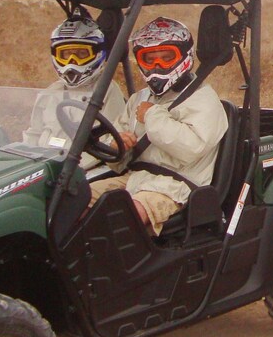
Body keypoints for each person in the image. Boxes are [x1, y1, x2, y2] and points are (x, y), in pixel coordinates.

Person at [91, 16, 228, 235]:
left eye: (166, 58)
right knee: (79, 200)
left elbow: (190, 147)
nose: (157, 66)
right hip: (135, 178)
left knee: (125, 216)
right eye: (149, 59)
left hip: (175, 186)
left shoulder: (204, 100)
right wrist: (117, 147)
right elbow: (117, 155)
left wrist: (152, 115)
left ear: (184, 56)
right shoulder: (140, 98)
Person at [23, 7, 127, 165]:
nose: (72, 61)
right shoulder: (51, 92)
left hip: (83, 171)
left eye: (81, 54)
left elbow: (113, 141)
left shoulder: (107, 90)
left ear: (97, 53)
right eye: (66, 55)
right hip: (46, 167)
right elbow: (33, 135)